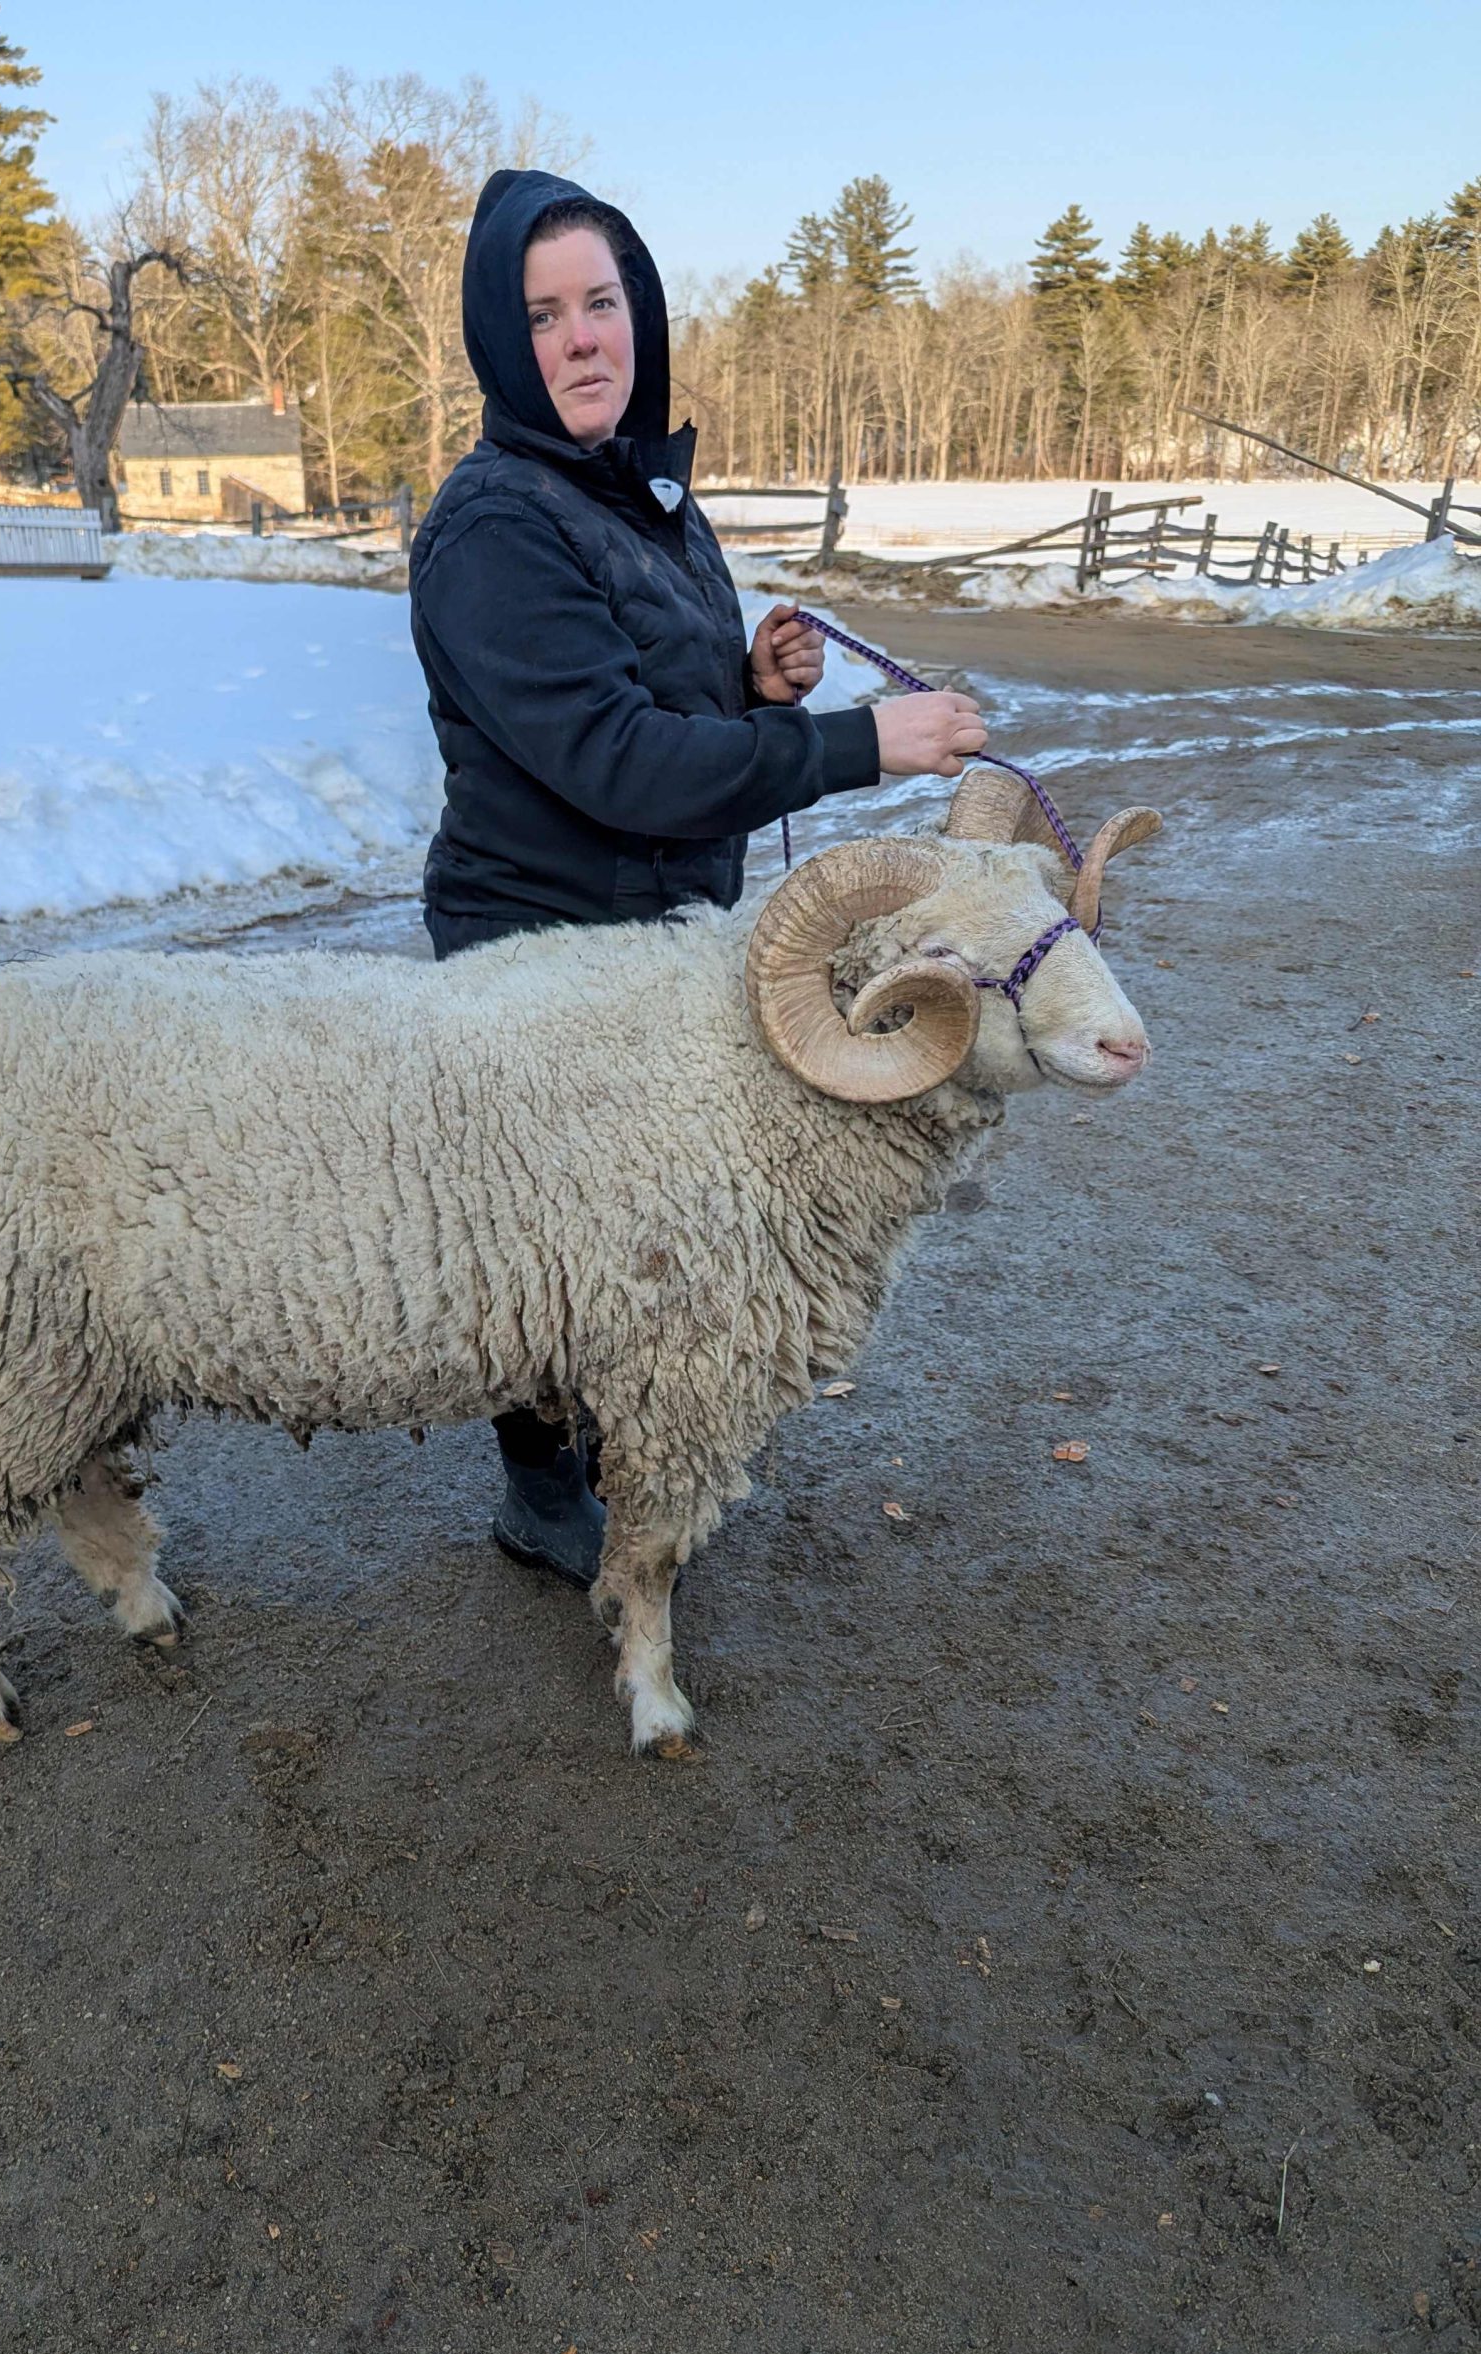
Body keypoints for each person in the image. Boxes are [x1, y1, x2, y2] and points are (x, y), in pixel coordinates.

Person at [409, 167, 988, 1589]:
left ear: (641, 314)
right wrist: (860, 743)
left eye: (601, 302)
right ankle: (540, 1488)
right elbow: (612, 759)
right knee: (542, 1244)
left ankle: (631, 1445)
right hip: (538, 942)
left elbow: (648, 698)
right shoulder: (493, 526)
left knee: (646, 1227)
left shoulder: (645, 496)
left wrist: (750, 681)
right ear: (502, 341)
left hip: (656, 927)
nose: (581, 339)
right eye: (542, 315)